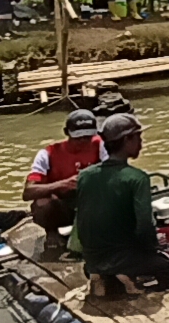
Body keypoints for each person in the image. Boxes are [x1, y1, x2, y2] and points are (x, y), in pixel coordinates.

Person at [75, 114, 169, 297]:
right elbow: (145, 226)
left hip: (93, 258)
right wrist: (154, 248)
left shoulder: (85, 175)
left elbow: (82, 219)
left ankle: (105, 274)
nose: (141, 143)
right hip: (123, 256)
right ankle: (132, 282)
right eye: (138, 137)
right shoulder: (137, 178)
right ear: (127, 139)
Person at [22, 109, 106, 258]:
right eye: (78, 138)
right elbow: (28, 192)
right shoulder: (48, 154)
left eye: (88, 137)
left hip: (93, 201)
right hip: (63, 204)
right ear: (67, 133)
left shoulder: (101, 146)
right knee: (42, 203)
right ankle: (52, 232)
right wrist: (62, 184)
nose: (83, 142)